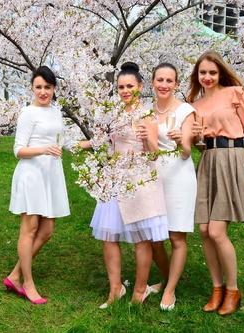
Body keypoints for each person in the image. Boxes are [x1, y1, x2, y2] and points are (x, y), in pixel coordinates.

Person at [188, 50, 244, 316]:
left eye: (212, 72)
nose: (207, 77)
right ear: (197, 75)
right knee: (204, 231)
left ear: (220, 72)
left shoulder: (235, 93)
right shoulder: (194, 105)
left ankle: (233, 290)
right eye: (203, 73)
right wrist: (197, 139)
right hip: (208, 162)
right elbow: (200, 147)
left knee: (217, 232)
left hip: (233, 159)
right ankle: (217, 288)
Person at [4, 66, 88, 305]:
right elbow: (18, 150)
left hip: (50, 174)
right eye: (39, 87)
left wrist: (95, 142)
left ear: (54, 89)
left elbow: (66, 143)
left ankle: (15, 275)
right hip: (32, 174)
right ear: (32, 87)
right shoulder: (28, 113)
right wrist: (43, 149)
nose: (43, 92)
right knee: (29, 230)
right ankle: (26, 283)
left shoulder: (56, 112)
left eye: (47, 87)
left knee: (47, 231)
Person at [90, 62, 169, 309]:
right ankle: (116, 289)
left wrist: (148, 140)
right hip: (115, 179)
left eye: (129, 86)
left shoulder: (147, 116)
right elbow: (106, 145)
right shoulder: (113, 115)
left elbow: (155, 156)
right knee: (108, 235)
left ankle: (139, 290)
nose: (125, 91)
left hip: (140, 181)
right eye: (121, 87)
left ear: (140, 87)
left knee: (141, 239)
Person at [147, 62, 197, 311]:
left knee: (176, 236)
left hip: (179, 176)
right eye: (160, 80)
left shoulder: (186, 110)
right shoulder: (146, 111)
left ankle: (170, 289)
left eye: (169, 81)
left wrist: (181, 142)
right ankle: (166, 278)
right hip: (153, 177)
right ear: (153, 82)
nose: (164, 85)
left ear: (176, 84)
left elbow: (188, 153)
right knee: (154, 238)